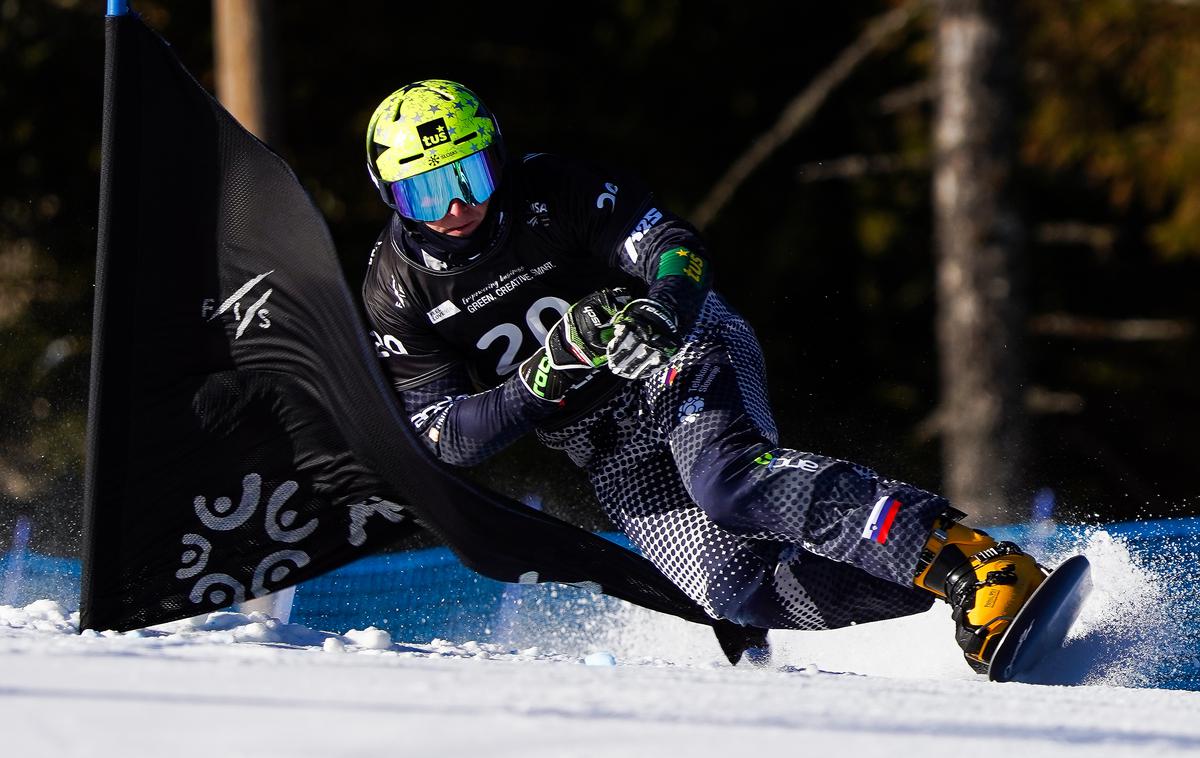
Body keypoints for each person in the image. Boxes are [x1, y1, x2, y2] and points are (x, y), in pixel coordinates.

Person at [360, 79, 1045, 673]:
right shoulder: (394, 291)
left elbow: (674, 248)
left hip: (677, 355)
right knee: (730, 590)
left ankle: (974, 561)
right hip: (598, 441)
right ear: (390, 196)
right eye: (426, 192)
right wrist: (544, 377)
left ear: (498, 157)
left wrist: (657, 314)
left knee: (728, 483)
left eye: (470, 175)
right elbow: (445, 436)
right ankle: (944, 594)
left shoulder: (561, 189)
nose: (455, 207)